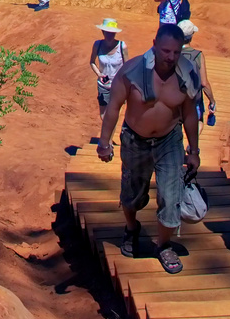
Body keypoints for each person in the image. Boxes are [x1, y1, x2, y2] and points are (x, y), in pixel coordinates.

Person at [95, 23, 203, 274]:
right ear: (154, 44)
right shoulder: (131, 70)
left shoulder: (187, 74)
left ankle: (164, 245)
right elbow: (113, 108)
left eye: (176, 52)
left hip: (169, 141)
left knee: (170, 194)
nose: (170, 57)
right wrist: (104, 142)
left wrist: (194, 151)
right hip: (135, 139)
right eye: (165, 51)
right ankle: (132, 228)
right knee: (132, 193)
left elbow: (189, 114)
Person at [90, 19, 127, 138]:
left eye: (112, 33)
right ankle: (108, 139)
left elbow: (127, 67)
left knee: (113, 114)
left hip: (118, 86)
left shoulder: (122, 46)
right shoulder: (97, 45)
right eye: (107, 32)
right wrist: (99, 74)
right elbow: (92, 62)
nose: (110, 35)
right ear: (103, 32)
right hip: (103, 85)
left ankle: (108, 142)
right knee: (103, 115)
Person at [177, 19, 215, 126]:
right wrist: (212, 101)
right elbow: (204, 83)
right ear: (192, 35)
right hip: (193, 99)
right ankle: (191, 142)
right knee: (199, 123)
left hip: (173, 98)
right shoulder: (197, 55)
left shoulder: (171, 53)